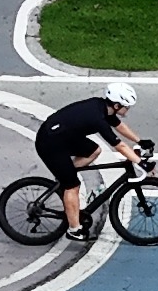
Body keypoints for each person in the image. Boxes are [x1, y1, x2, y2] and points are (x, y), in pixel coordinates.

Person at [32, 82, 145, 240]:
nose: (128, 109)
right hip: (50, 142)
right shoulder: (97, 118)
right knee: (72, 186)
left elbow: (119, 125)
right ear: (117, 105)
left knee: (94, 150)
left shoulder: (103, 107)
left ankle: (65, 174)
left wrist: (140, 141)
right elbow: (119, 145)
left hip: (62, 136)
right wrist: (141, 162)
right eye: (127, 106)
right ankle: (73, 230)